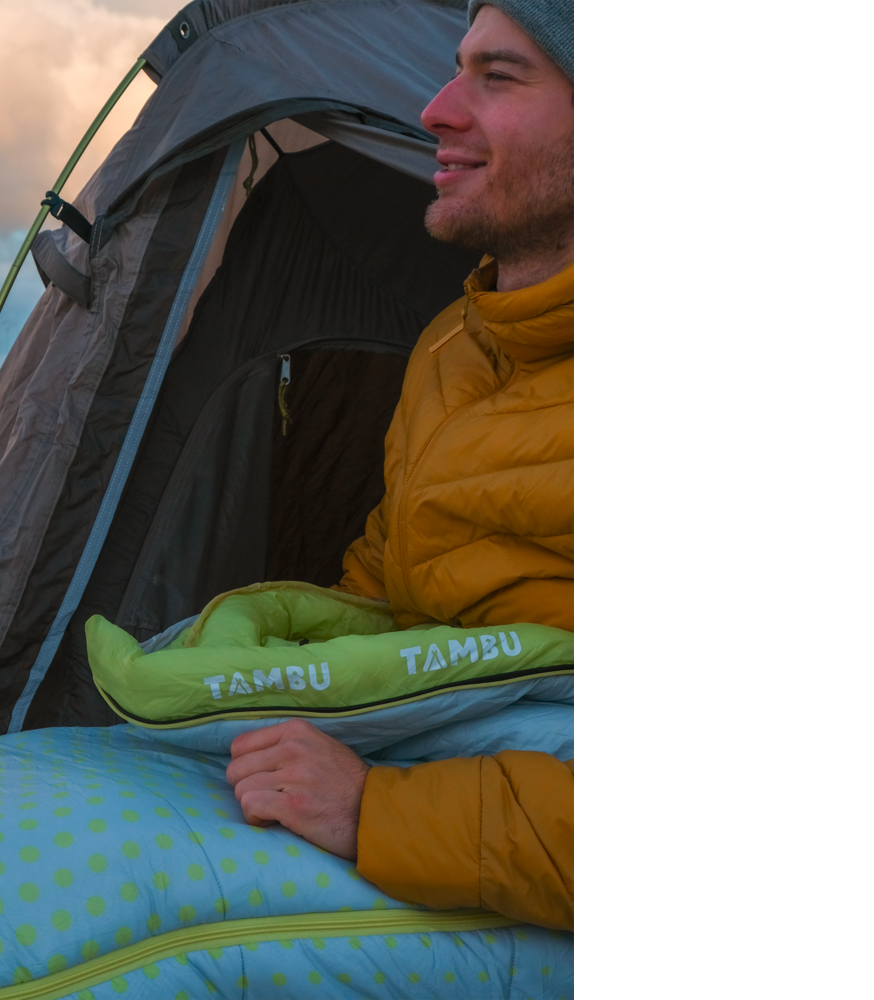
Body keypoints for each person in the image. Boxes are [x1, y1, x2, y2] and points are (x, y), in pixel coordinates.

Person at [225, 0, 575, 931]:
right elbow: (394, 579)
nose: (434, 110)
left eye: (497, 77)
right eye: (457, 68)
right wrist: (279, 652)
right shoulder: (451, 348)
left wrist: (377, 810)